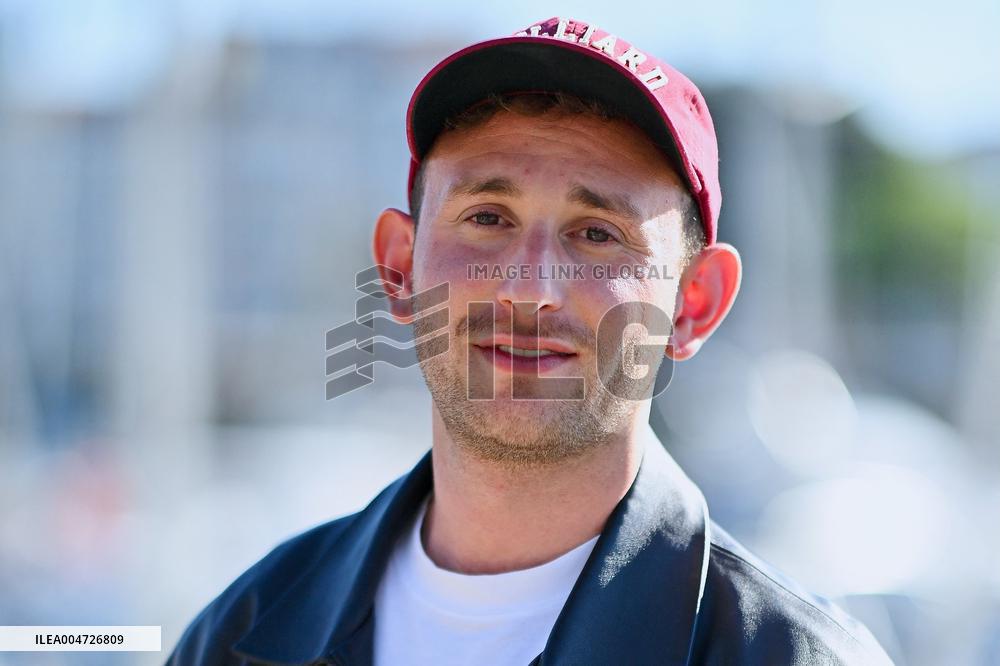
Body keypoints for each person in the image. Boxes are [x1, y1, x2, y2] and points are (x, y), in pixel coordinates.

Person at [167, 17, 893, 665]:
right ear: (398, 269)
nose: (529, 288)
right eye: (487, 218)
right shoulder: (244, 632)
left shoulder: (791, 657)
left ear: (694, 304)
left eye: (598, 234)